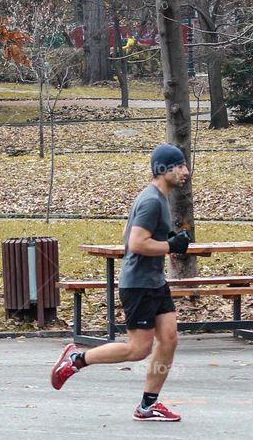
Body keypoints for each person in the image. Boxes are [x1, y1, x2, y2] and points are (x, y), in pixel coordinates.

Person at [50, 143, 191, 421]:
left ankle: (148, 406)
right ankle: (76, 359)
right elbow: (136, 243)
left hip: (153, 281)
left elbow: (135, 234)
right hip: (138, 284)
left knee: (169, 339)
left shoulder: (157, 198)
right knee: (138, 349)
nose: (186, 171)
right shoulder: (151, 201)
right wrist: (171, 245)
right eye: (181, 166)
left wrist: (169, 240)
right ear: (164, 169)